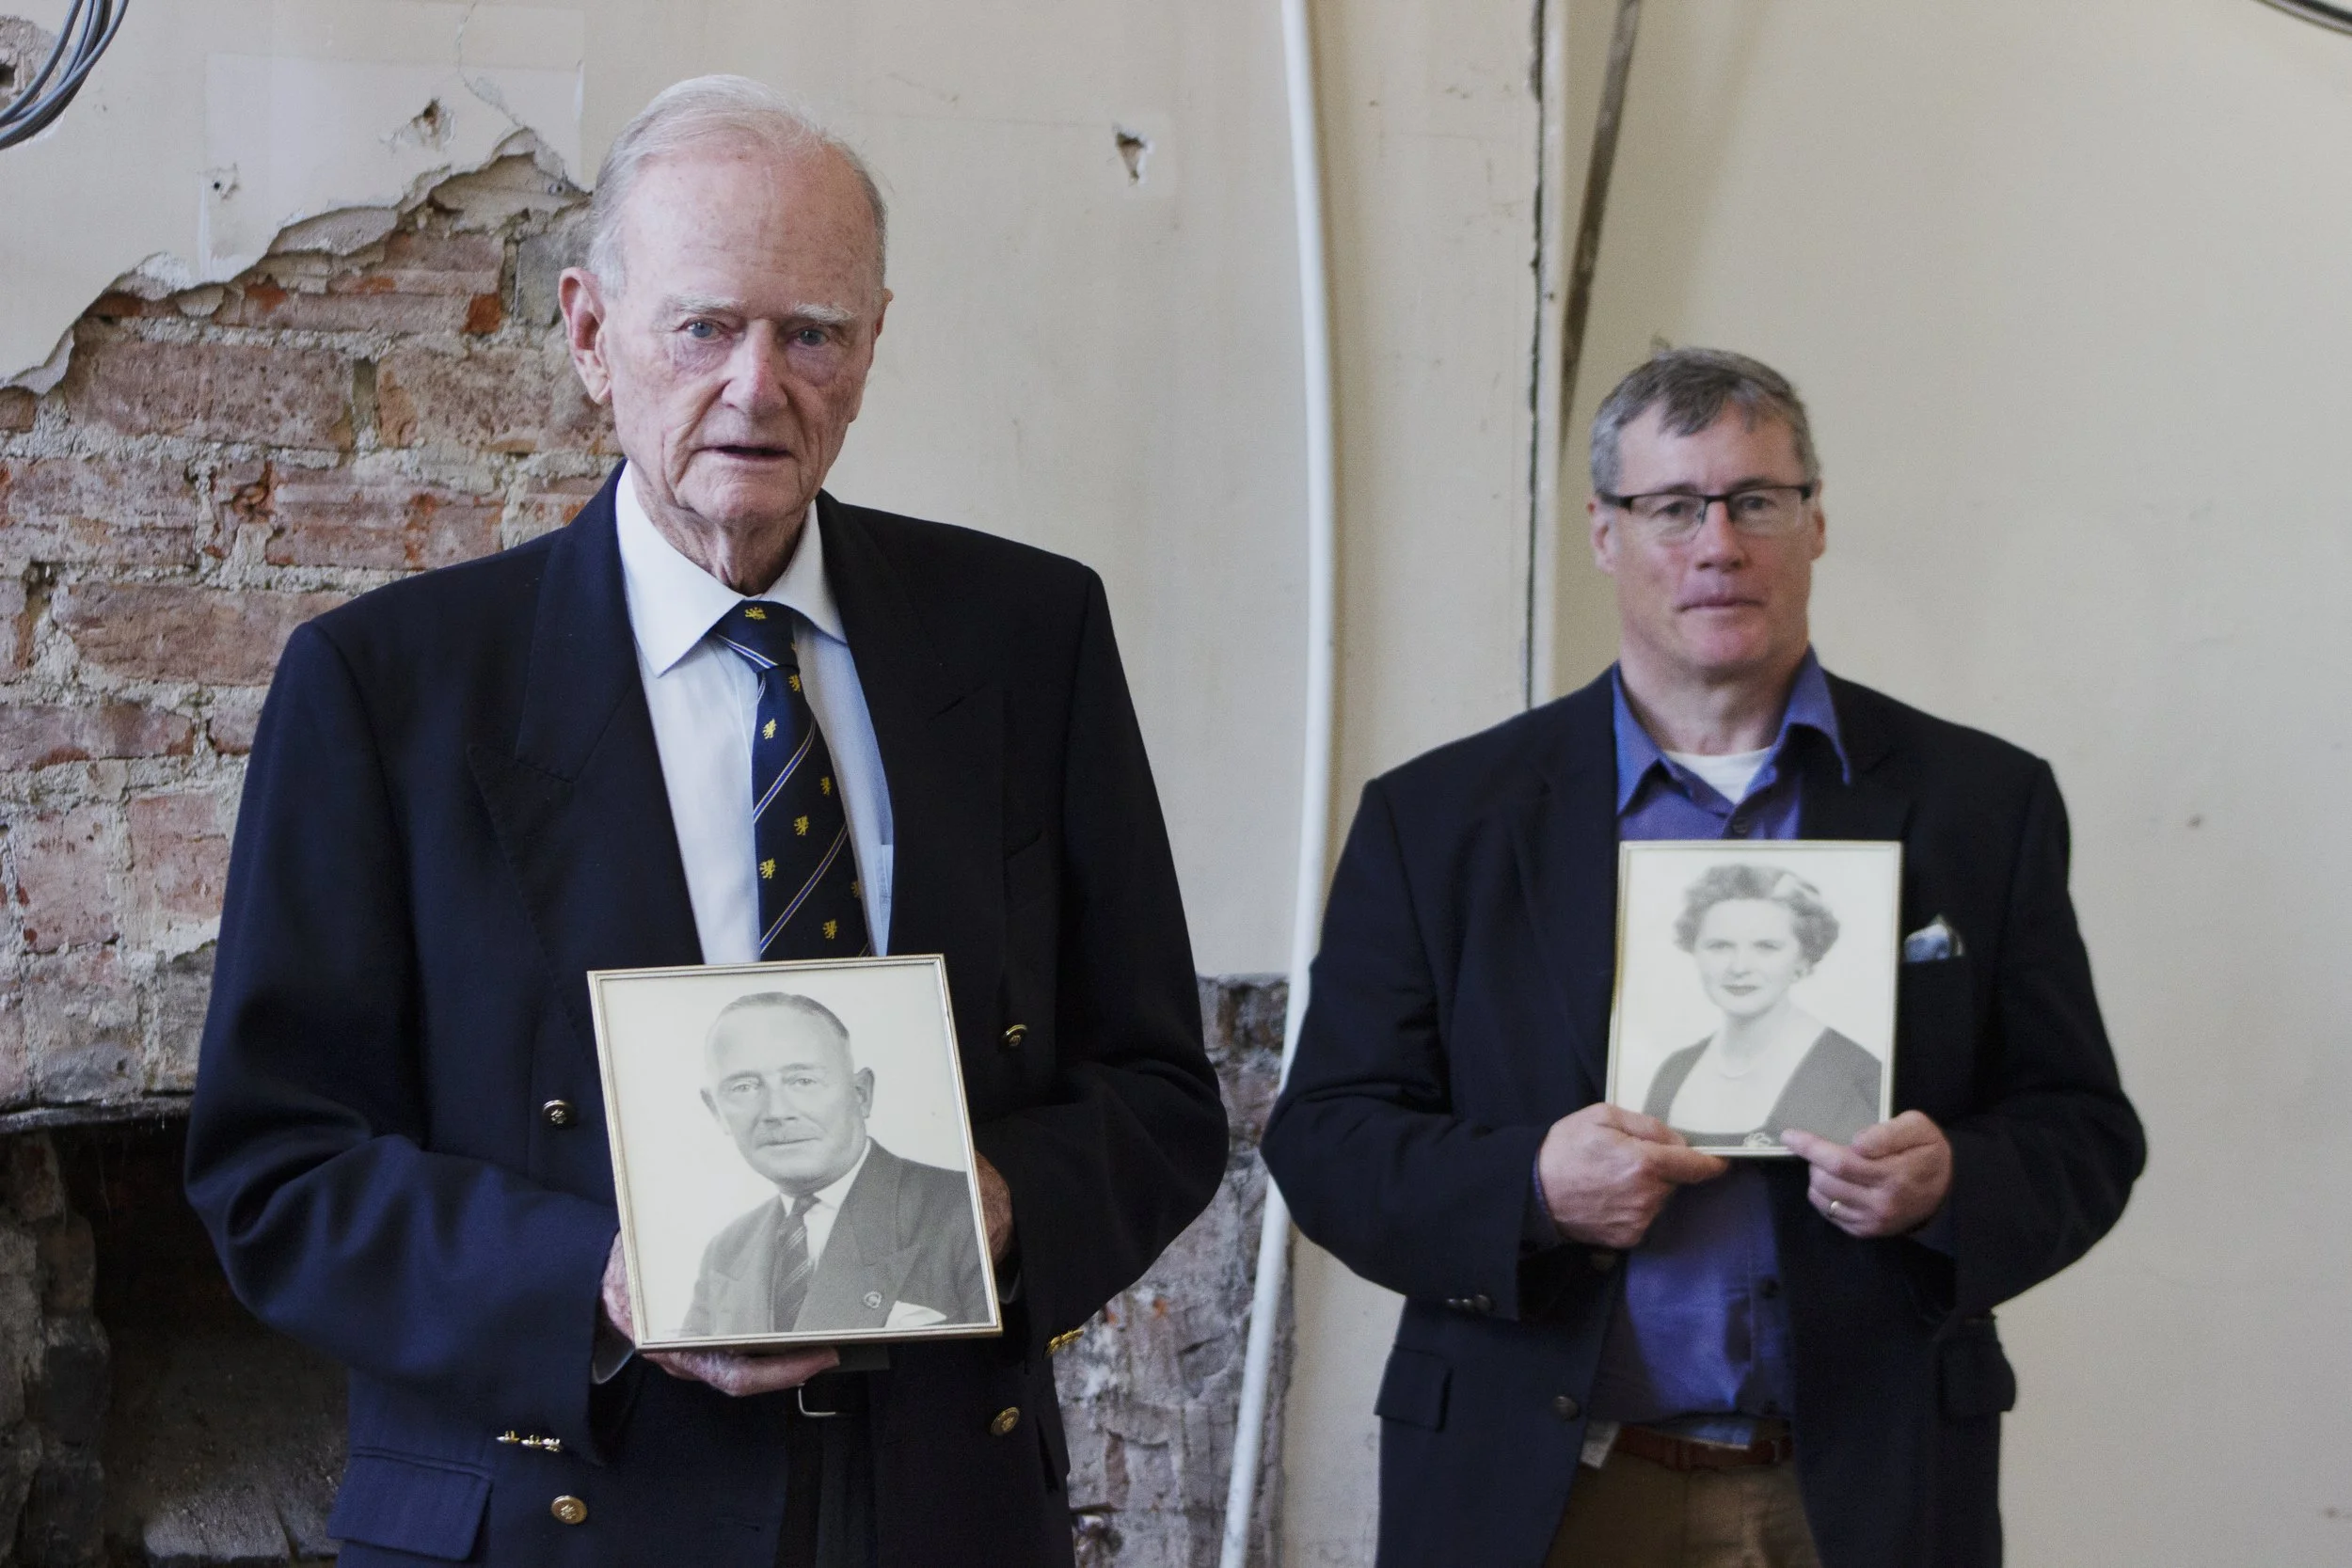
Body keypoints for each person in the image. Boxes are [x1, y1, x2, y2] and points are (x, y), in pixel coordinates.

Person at [183, 75, 1226, 1568]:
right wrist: (601, 1280)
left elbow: (1159, 1089)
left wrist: (995, 1203)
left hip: (942, 1505)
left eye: (812, 333)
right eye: (704, 327)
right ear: (591, 336)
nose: (758, 385)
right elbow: (276, 1167)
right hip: (560, 1507)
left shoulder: (1028, 636)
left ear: (873, 348)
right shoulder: (387, 685)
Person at [1261, 347, 2144, 1568]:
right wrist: (1531, 1187)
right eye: (1672, 505)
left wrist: (1954, 1184)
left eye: (1756, 499)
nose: (1718, 542)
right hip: (1542, 1484)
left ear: (1816, 520)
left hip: (1863, 1486)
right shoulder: (1443, 816)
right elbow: (1327, 1136)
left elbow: (2084, 1128)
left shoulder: (1980, 803)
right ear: (1604, 532)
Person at [680, 991, 990, 1338]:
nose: (777, 1111)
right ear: (715, 1110)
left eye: (803, 1081)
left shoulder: (964, 1210)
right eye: (744, 1087)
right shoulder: (726, 1251)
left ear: (861, 1093)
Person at [1642, 864, 1881, 1148]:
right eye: (1720, 946)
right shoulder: (1674, 1071)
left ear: (1803, 960)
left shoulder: (1856, 1074)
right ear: (1694, 951)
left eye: (1766, 947)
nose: (1739, 967)